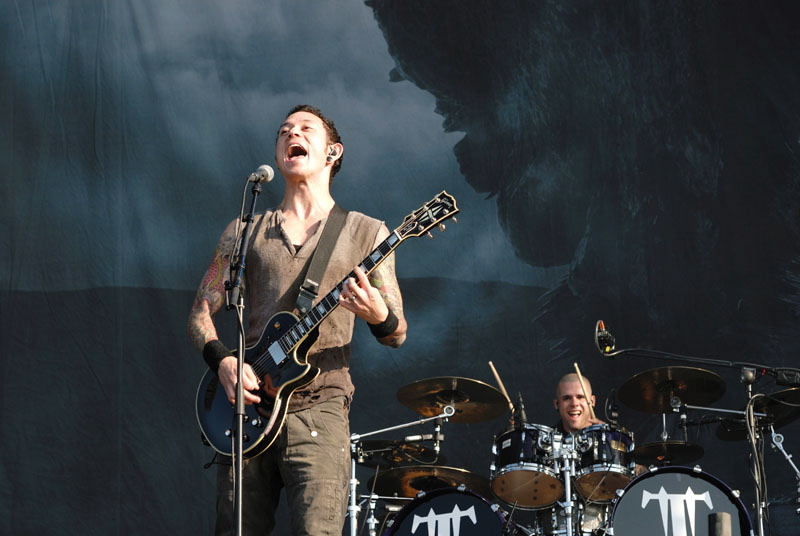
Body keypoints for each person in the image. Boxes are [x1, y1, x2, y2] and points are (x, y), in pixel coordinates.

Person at [187, 104, 407, 535]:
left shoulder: (367, 232)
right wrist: (223, 361)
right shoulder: (244, 230)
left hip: (320, 410)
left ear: (332, 152)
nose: (292, 134)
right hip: (246, 412)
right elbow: (200, 312)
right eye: (284, 130)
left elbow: (397, 332)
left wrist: (378, 315)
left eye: (306, 128)